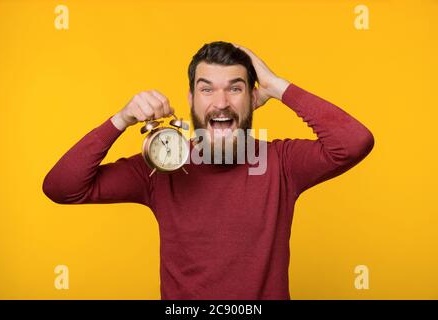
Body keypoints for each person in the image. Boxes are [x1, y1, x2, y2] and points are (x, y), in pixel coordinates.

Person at [42, 41, 375, 300]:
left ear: (252, 98)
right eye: (207, 89)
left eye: (235, 88)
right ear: (191, 99)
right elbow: (62, 187)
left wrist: (278, 87)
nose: (221, 102)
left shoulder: (281, 162)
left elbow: (354, 142)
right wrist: (121, 119)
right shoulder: (163, 165)